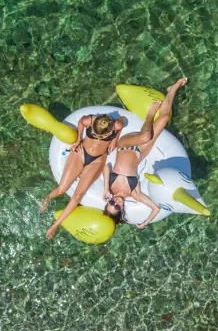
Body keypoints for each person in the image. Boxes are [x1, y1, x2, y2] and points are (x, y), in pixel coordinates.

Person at [103, 77, 188, 228]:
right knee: (165, 118)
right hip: (141, 151)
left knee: (145, 136)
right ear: (121, 209)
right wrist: (144, 223)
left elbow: (106, 168)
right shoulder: (134, 194)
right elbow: (156, 208)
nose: (115, 202)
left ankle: (150, 114)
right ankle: (172, 89)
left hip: (124, 144)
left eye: (111, 203)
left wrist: (105, 189)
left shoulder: (110, 188)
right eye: (116, 207)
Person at [41, 113, 124, 239]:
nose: (97, 137)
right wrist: (79, 138)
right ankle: (47, 198)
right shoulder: (88, 120)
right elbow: (81, 122)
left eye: (101, 136)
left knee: (78, 195)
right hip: (81, 153)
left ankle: (56, 224)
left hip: (97, 160)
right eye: (94, 134)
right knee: (62, 188)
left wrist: (113, 140)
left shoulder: (116, 125)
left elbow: (121, 125)